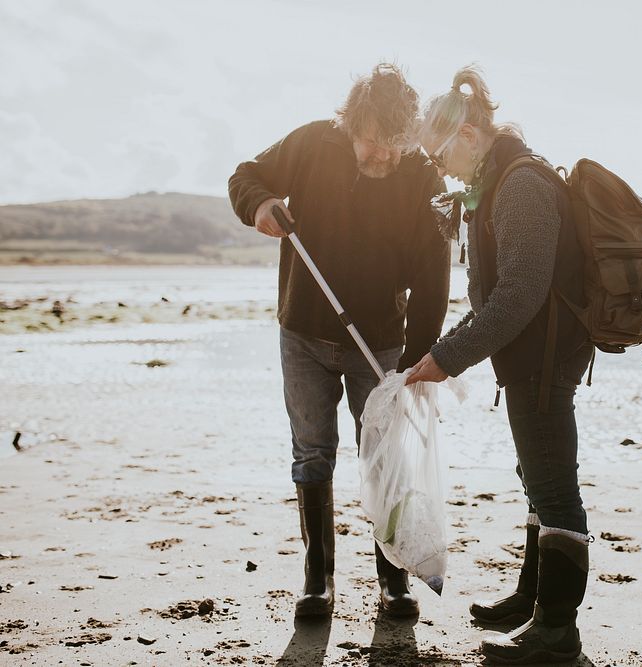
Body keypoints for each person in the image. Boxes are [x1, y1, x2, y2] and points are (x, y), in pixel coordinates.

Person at [228, 63, 450, 619]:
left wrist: (423, 356)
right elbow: (245, 175)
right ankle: (317, 579)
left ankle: (392, 579)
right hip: (302, 331)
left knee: (384, 456)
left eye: (397, 146)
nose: (385, 157)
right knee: (312, 452)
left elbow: (433, 274)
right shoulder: (310, 143)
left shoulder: (422, 175)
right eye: (376, 143)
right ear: (354, 122)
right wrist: (258, 205)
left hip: (380, 342)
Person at [406, 66, 593, 664]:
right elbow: (499, 300)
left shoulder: (521, 186)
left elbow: (519, 295)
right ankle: (531, 600)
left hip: (544, 357)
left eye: (438, 156)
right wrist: (442, 351)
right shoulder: (499, 182)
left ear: (466, 134)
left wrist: (447, 358)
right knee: (536, 480)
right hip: (530, 356)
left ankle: (557, 632)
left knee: (554, 486)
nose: (440, 170)